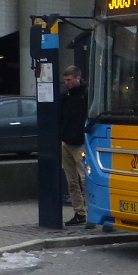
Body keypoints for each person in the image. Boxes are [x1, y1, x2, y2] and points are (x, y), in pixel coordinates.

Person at [60, 66, 89, 227]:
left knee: (85, 180)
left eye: (69, 80)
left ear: (78, 78)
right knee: (72, 181)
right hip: (67, 142)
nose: (67, 83)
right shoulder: (65, 97)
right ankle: (79, 213)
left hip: (81, 143)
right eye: (65, 80)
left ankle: (92, 213)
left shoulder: (87, 95)